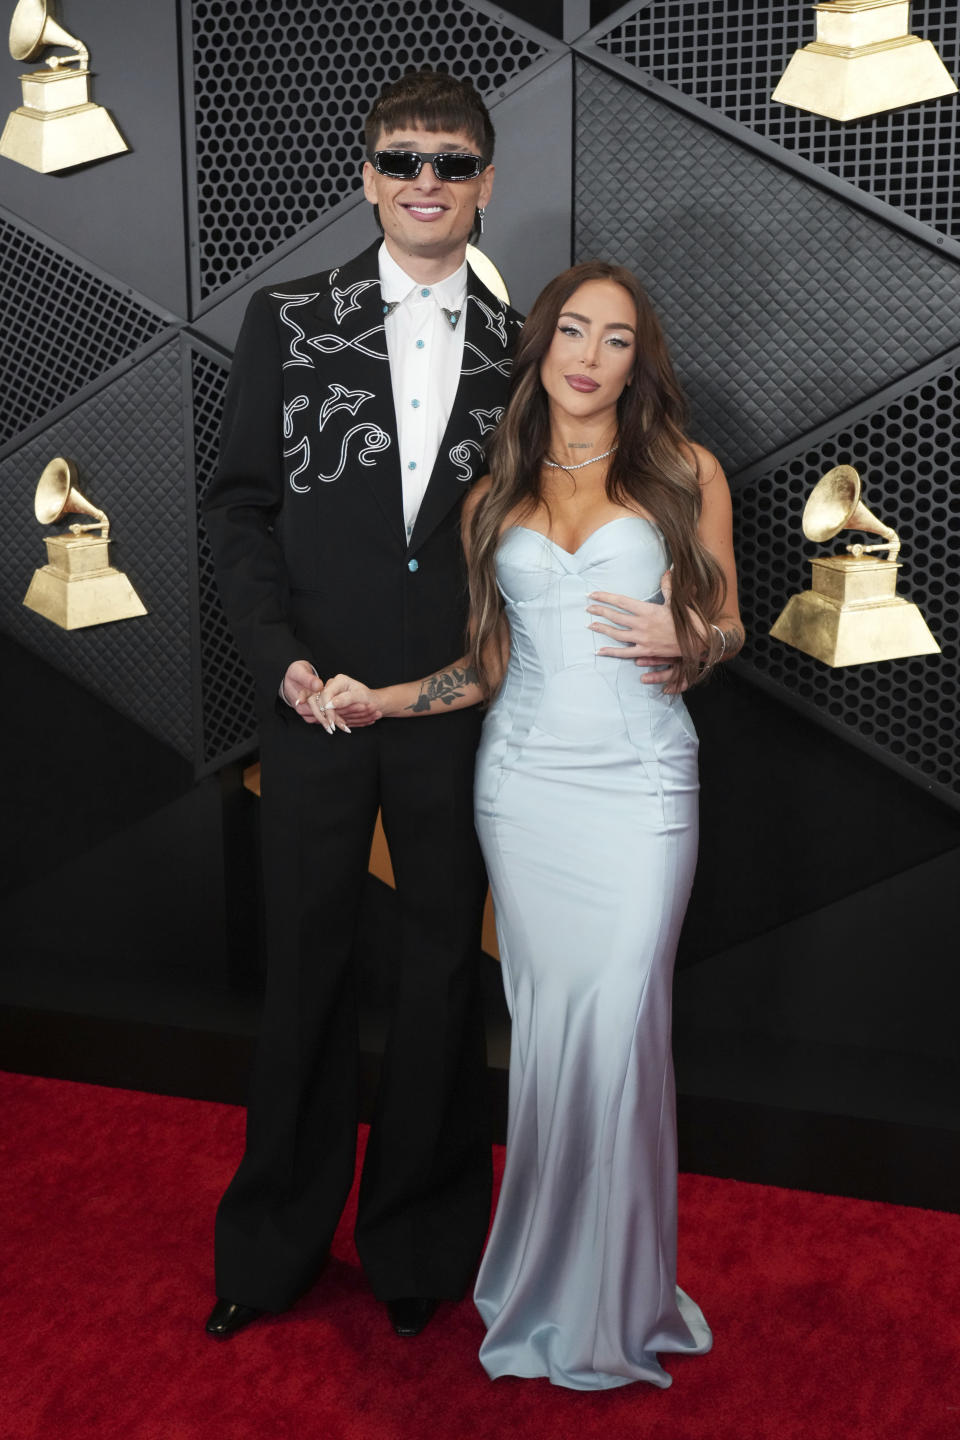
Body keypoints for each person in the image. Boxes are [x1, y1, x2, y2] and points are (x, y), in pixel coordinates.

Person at [311, 261, 745, 1388]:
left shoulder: (685, 473)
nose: (590, 356)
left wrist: (689, 640)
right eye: (572, 332)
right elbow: (486, 665)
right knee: (551, 1036)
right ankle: (550, 1281)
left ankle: (617, 1295)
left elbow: (730, 622)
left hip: (643, 788)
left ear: (637, 360)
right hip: (525, 789)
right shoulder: (491, 496)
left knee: (618, 1025)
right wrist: (386, 697)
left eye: (615, 338)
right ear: (541, 346)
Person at [202, 69, 523, 1342]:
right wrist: (278, 656)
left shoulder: (528, 345)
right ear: (370, 176)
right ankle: (270, 1250)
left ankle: (420, 1254)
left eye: (451, 162)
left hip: (459, 712)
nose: (426, 183)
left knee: (445, 976)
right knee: (305, 978)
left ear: (487, 183)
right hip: (315, 706)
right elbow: (239, 507)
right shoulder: (289, 318)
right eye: (402, 160)